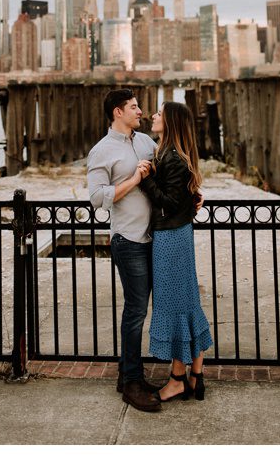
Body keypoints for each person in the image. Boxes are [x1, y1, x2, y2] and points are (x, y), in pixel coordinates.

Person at [86, 88, 163, 413]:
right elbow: (96, 197)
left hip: (154, 239)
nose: (140, 111)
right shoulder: (101, 151)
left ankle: (129, 375)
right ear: (118, 112)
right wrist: (133, 180)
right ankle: (130, 381)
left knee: (146, 309)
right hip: (128, 241)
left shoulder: (146, 142)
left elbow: (168, 171)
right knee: (135, 311)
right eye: (134, 107)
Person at [141, 102, 214, 402]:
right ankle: (195, 374)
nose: (153, 116)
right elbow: (183, 197)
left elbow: (169, 201)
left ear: (170, 122)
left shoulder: (172, 158)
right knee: (185, 303)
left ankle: (177, 379)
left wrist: (145, 180)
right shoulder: (170, 154)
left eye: (159, 114)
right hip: (177, 234)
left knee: (172, 306)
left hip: (170, 238)